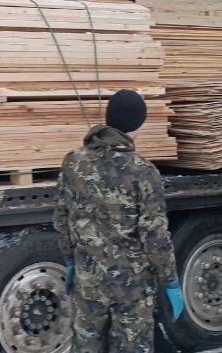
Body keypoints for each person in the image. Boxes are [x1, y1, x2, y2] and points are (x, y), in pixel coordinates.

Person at [53, 89, 184, 352]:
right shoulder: (143, 171)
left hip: (88, 280)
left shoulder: (73, 162)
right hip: (132, 288)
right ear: (139, 124)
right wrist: (170, 279)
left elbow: (62, 217)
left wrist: (70, 260)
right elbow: (155, 235)